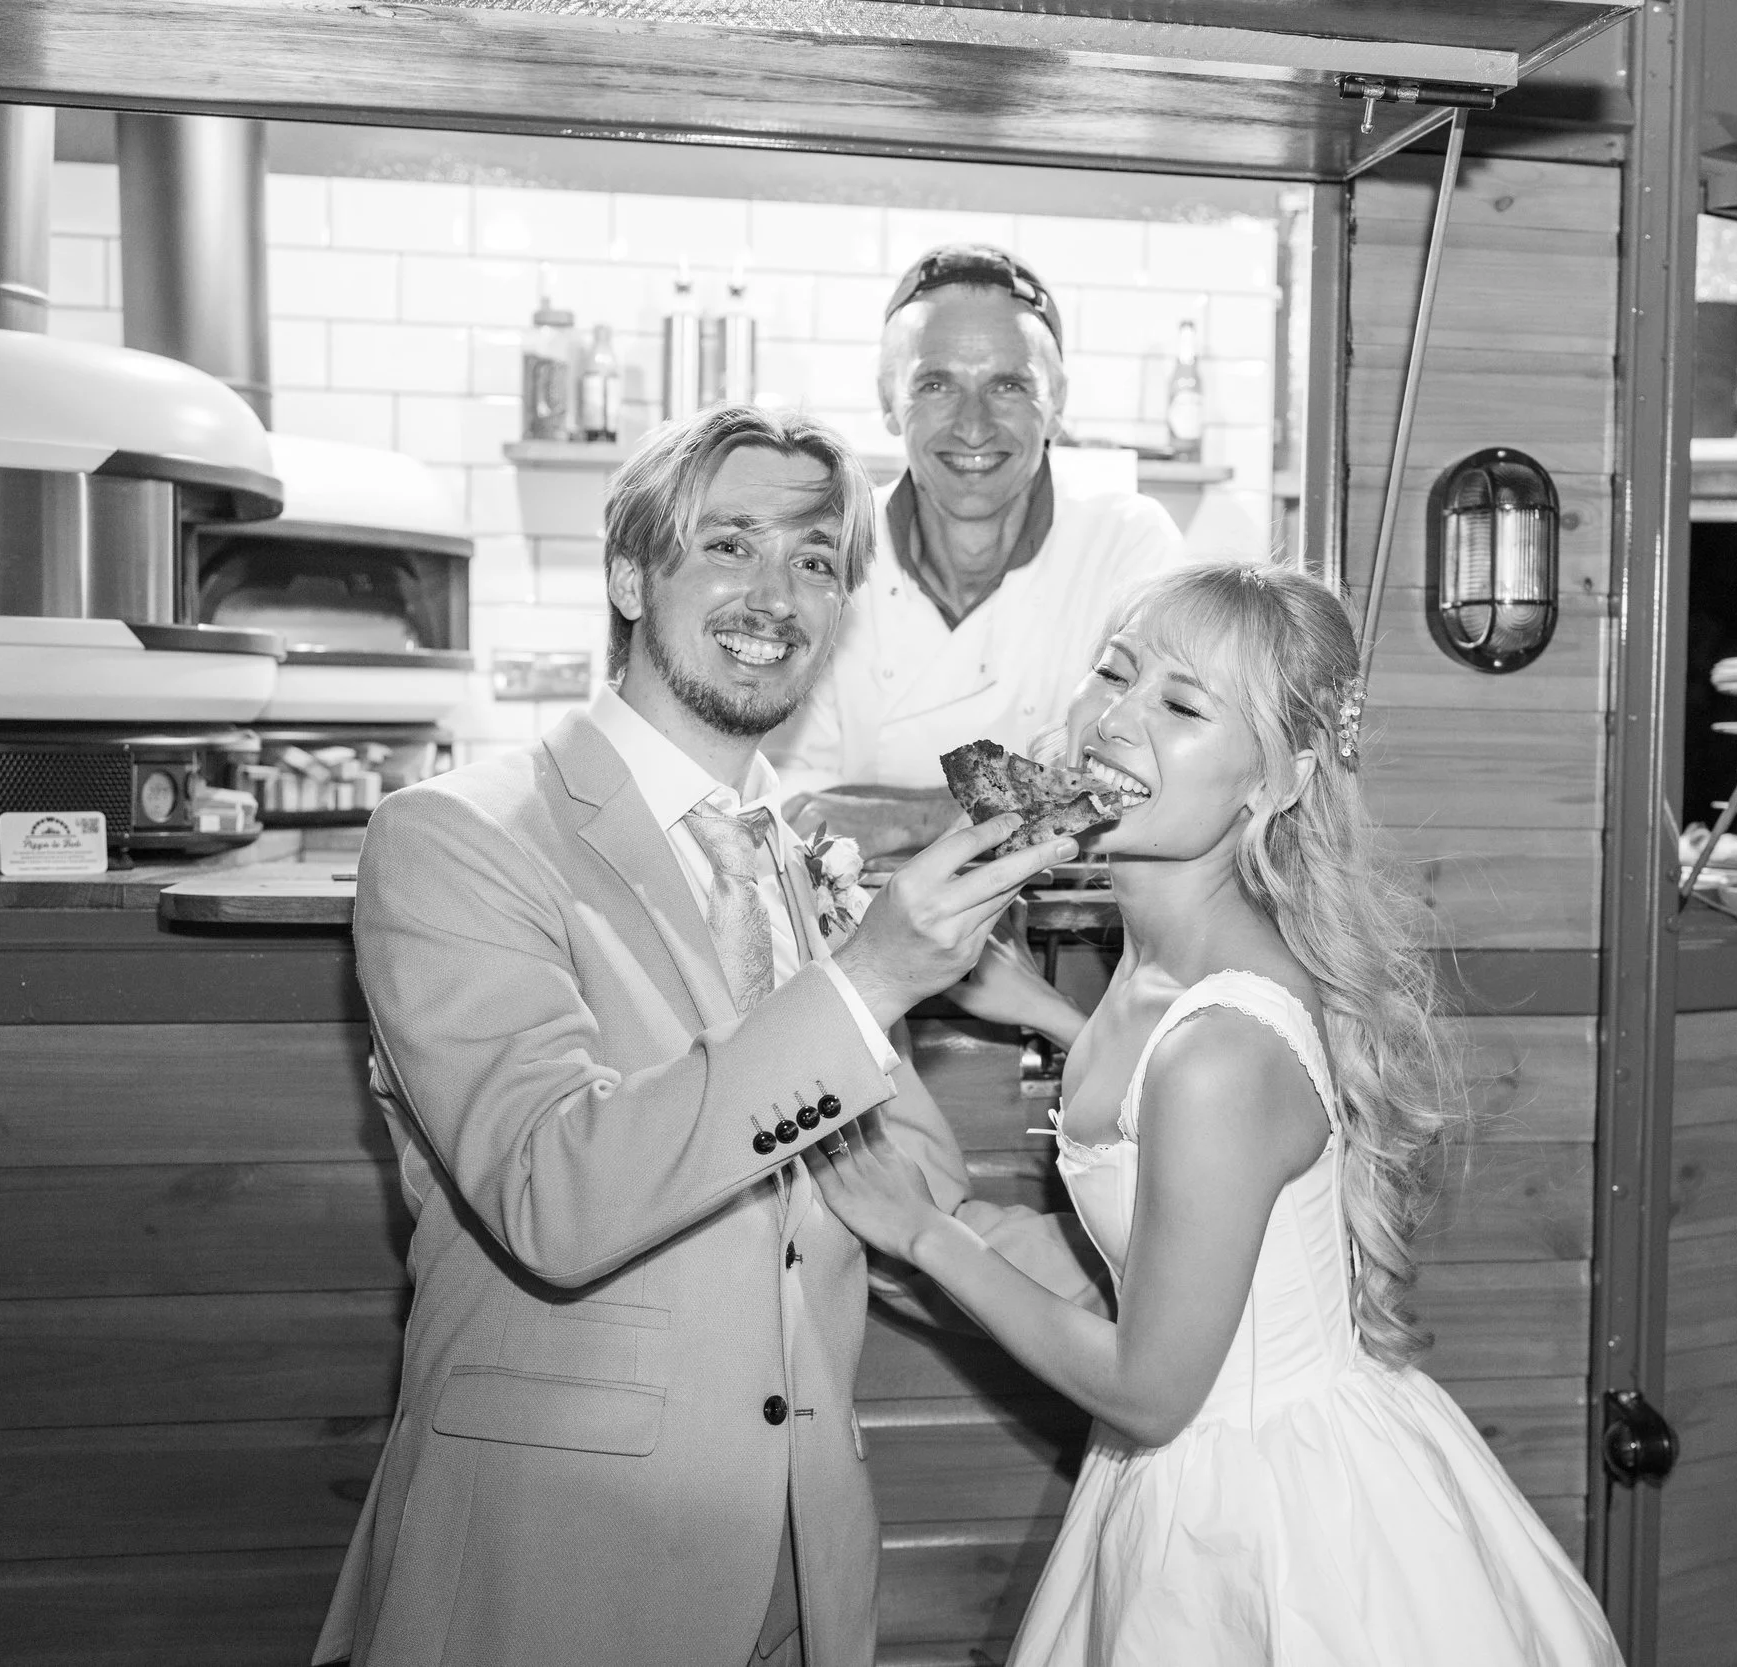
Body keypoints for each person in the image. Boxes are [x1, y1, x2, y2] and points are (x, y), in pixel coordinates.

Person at [314, 406, 1091, 1667]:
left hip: (797, 1572)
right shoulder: (458, 836)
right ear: (629, 575)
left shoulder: (798, 858)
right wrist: (874, 974)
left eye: (815, 559)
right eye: (727, 544)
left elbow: (901, 1208)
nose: (775, 592)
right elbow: (552, 1194)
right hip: (552, 1568)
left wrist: (1181, 1304)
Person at [807, 563, 1624, 1666]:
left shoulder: (1218, 1051)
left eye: (1182, 706)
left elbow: (1148, 1391)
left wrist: (919, 1229)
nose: (1112, 720)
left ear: (1274, 782)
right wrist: (1038, 1008)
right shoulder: (1161, 981)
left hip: (1262, 1520)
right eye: (1116, 672)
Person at [765, 243, 1186, 855]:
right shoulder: (827, 551)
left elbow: (1140, 789)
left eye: (1008, 385)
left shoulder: (1126, 544)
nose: (972, 426)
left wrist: (894, 820)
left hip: (1073, 934)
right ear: (887, 398)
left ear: (1058, 402)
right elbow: (781, 802)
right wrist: (1029, 803)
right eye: (935, 384)